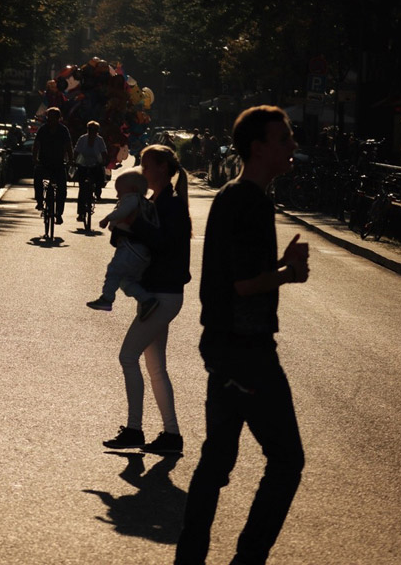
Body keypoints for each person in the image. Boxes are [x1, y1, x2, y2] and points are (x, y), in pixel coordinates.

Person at [175, 106, 309, 565]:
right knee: (287, 461)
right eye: (284, 139)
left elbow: (239, 275)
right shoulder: (250, 201)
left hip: (223, 345)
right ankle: (247, 559)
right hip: (247, 349)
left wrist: (278, 268)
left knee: (216, 462)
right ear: (259, 147)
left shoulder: (235, 196)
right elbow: (242, 285)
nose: (292, 146)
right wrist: (288, 274)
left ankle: (189, 556)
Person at [99, 144, 192, 455]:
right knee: (156, 368)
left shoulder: (172, 205)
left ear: (163, 168)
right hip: (157, 292)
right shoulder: (155, 201)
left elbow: (164, 245)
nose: (142, 170)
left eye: (147, 165)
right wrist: (123, 226)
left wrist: (134, 222)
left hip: (163, 294)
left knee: (128, 357)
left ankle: (135, 429)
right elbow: (136, 239)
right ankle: (170, 435)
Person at [86, 167, 160, 320]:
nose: (117, 195)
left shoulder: (132, 199)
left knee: (114, 270)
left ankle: (106, 299)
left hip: (131, 246)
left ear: (132, 189)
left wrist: (108, 218)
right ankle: (146, 299)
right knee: (125, 280)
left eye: (119, 191)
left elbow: (123, 211)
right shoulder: (146, 204)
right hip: (141, 251)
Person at [32, 107, 74, 224]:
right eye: (49, 117)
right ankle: (40, 201)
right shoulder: (43, 130)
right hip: (44, 162)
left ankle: (59, 214)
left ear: (58, 118)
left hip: (58, 163)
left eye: (54, 117)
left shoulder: (63, 130)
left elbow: (68, 146)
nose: (51, 120)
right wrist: (35, 158)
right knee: (37, 177)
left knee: (62, 189)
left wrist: (71, 159)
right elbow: (36, 145)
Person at [74, 120, 109, 218]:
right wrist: (74, 160)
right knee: (82, 189)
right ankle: (81, 213)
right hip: (83, 162)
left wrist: (104, 160)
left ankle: (97, 193)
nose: (92, 131)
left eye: (95, 130)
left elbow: (103, 152)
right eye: (90, 129)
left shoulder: (99, 140)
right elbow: (77, 150)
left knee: (100, 177)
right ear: (87, 129)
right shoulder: (82, 139)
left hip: (95, 162)